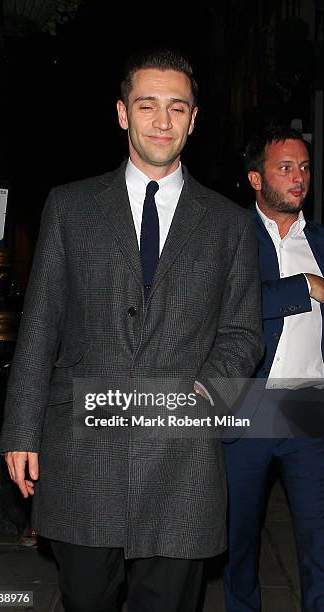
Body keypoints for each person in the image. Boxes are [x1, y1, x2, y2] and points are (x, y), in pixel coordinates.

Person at [0, 47, 262, 612]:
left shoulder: (228, 224)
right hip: (82, 458)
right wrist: (20, 428)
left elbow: (243, 332)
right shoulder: (70, 208)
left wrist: (202, 396)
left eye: (177, 107)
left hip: (181, 459)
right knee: (85, 600)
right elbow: (40, 325)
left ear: (193, 119)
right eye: (147, 106)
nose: (162, 121)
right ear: (122, 113)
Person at [223, 125, 324, 612]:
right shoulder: (228, 236)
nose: (298, 177)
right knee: (238, 541)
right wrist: (304, 285)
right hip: (245, 406)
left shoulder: (322, 241)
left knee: (319, 542)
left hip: (309, 409)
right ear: (256, 178)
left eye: (304, 167)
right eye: (285, 167)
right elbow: (224, 308)